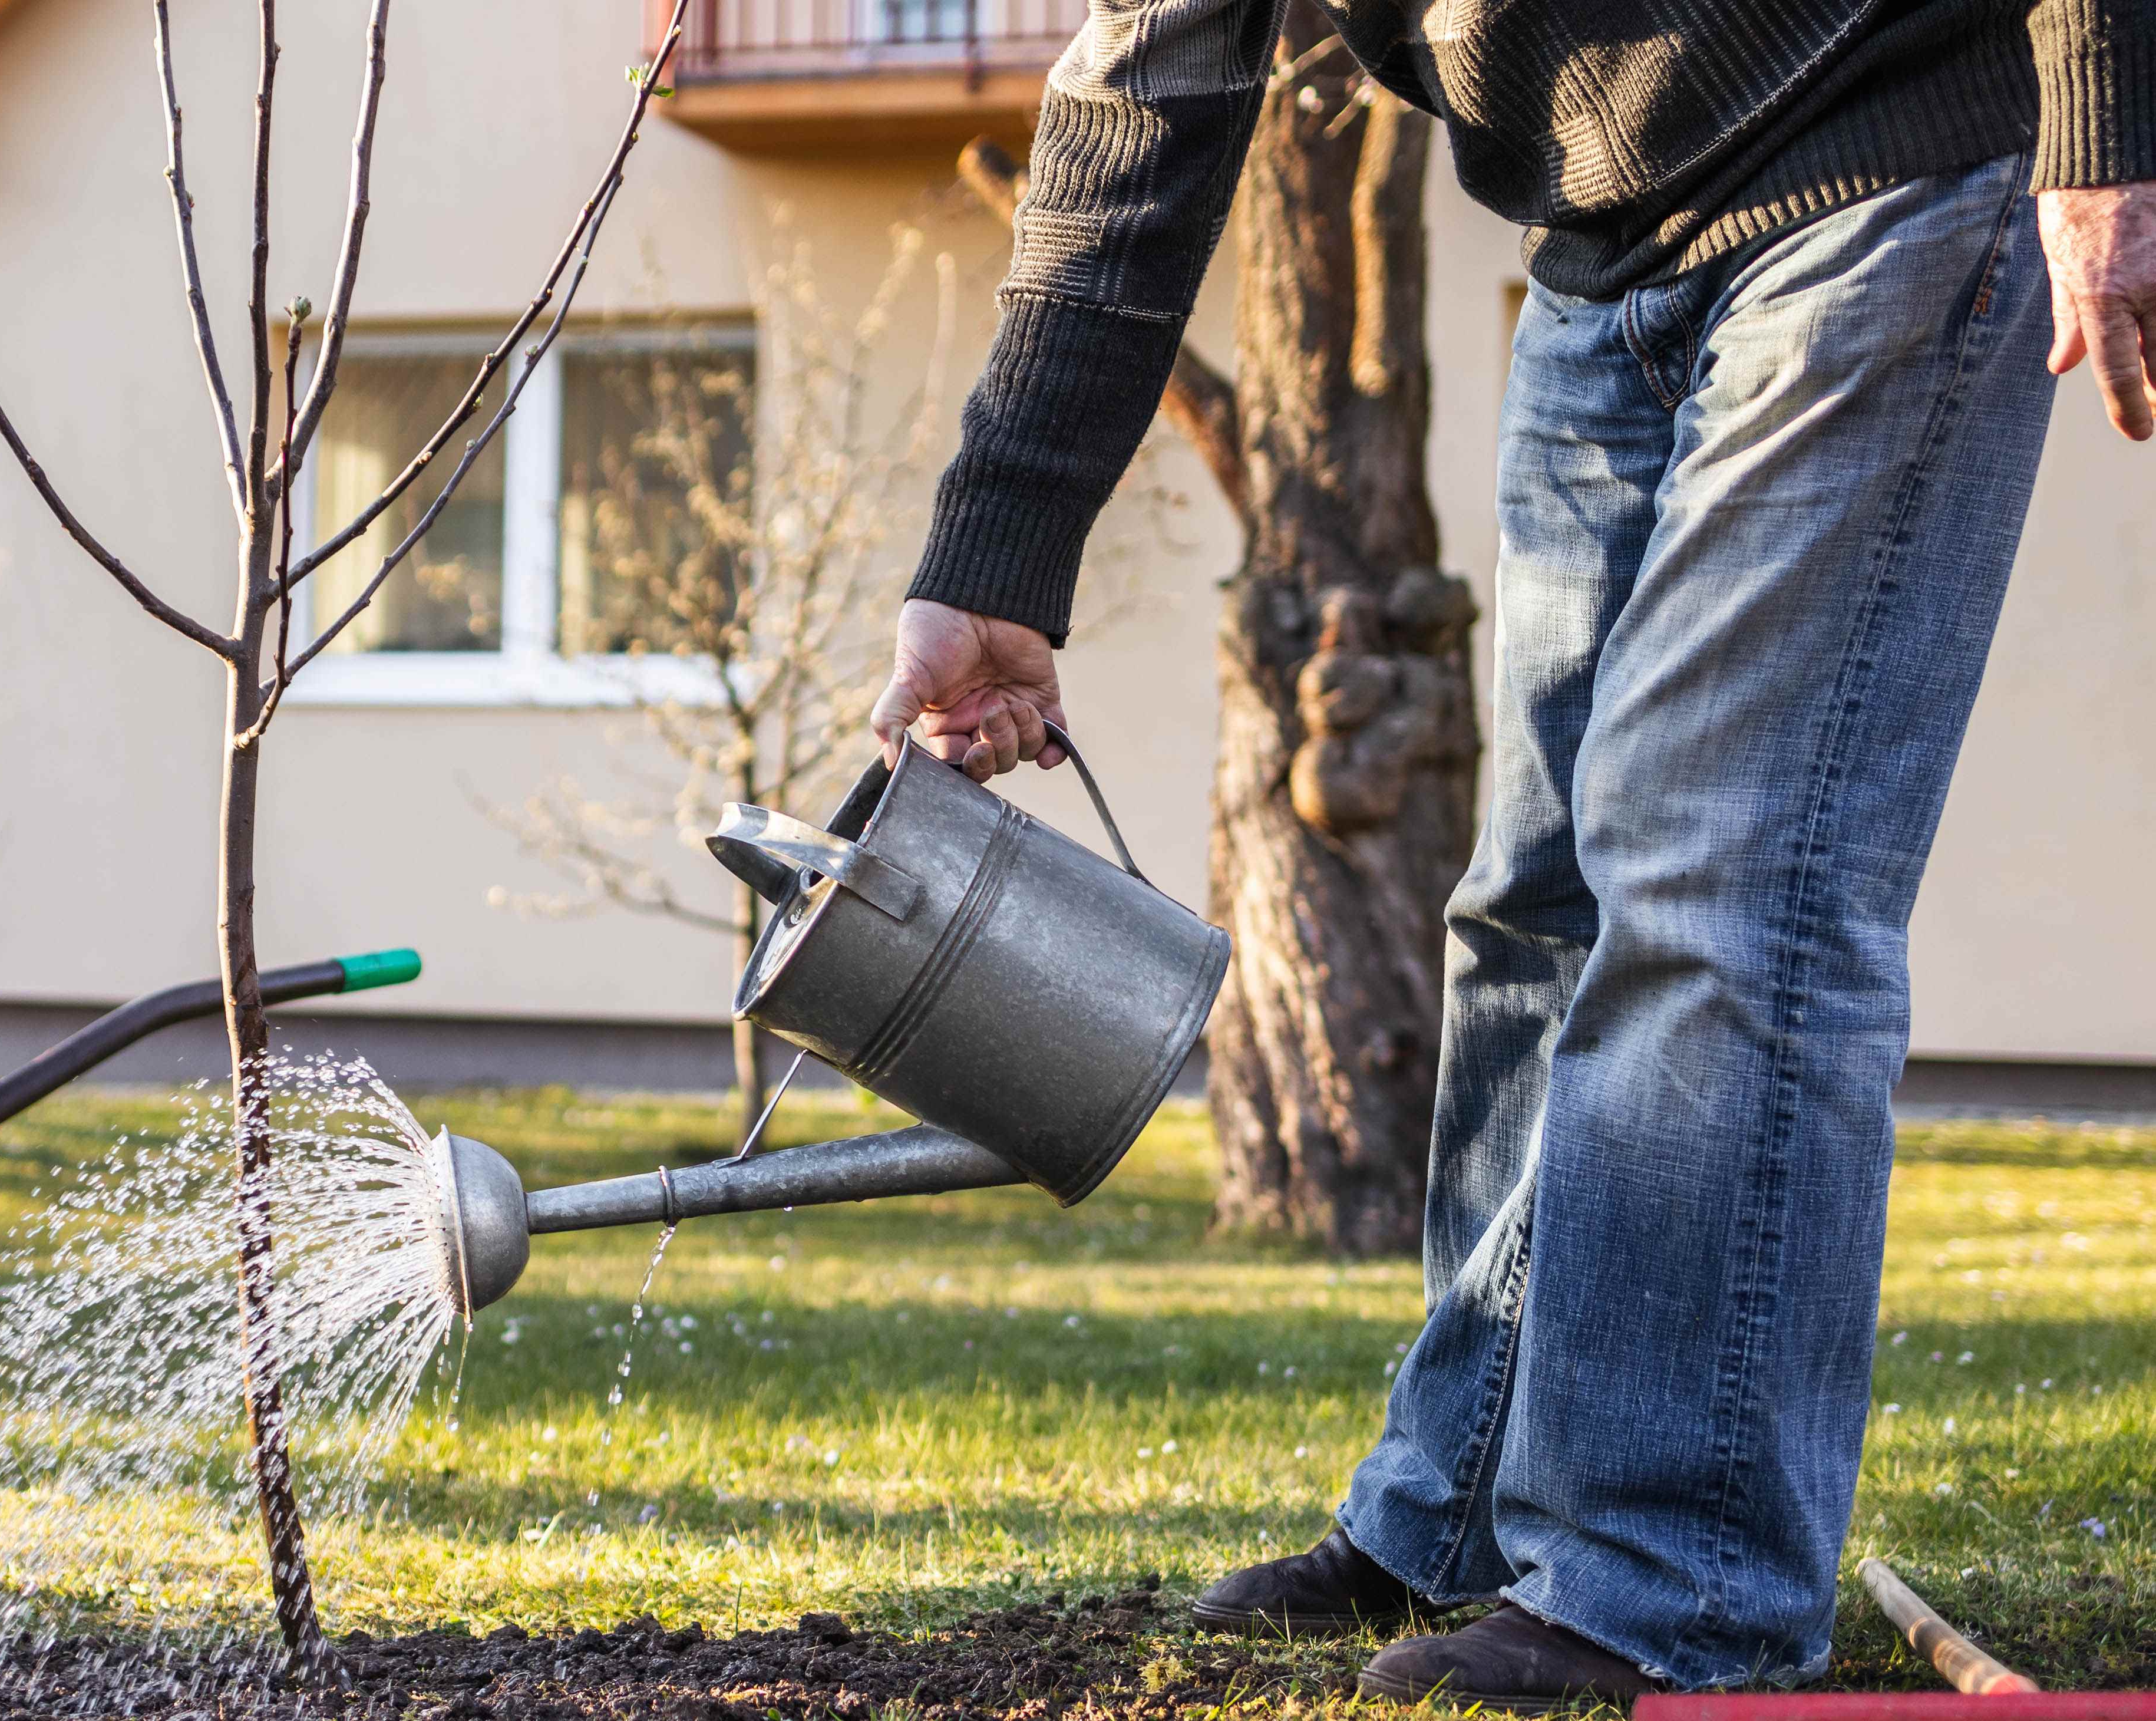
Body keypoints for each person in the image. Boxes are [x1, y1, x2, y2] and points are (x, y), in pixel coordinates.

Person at [867, 0, 2154, 1704]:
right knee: (1534, 913)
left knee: (1720, 885)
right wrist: (998, 562)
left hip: (1890, 153)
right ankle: (1458, 1506)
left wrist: (2111, 119)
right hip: (1601, 244)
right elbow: (1138, 112)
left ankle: (1675, 1585)